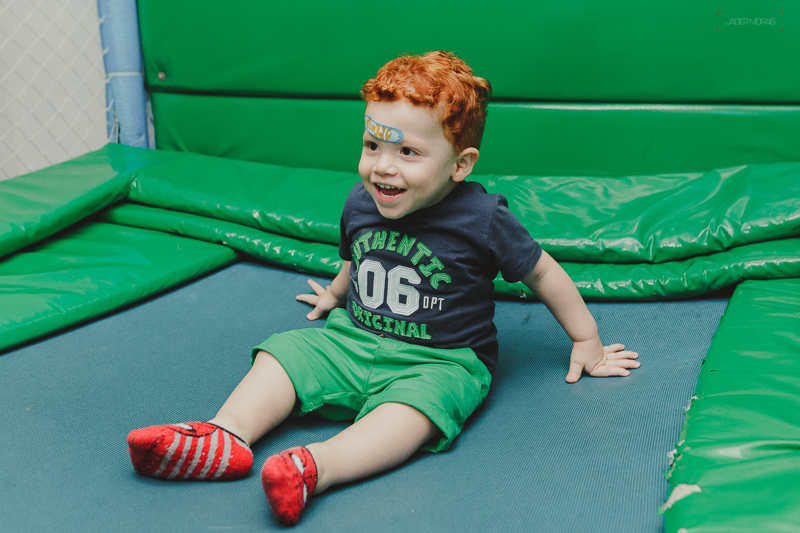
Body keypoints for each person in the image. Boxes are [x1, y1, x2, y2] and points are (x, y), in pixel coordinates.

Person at [127, 50, 640, 526]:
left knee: (412, 414)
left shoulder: (482, 219)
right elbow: (360, 258)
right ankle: (225, 435)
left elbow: (543, 272)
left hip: (440, 361)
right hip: (351, 340)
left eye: (409, 152)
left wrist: (586, 339)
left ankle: (316, 467)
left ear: (460, 164)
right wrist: (334, 296)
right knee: (282, 355)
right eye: (373, 145)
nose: (383, 166)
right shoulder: (361, 201)